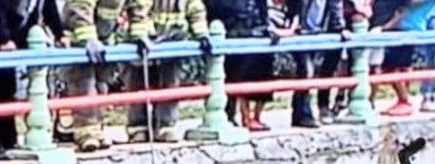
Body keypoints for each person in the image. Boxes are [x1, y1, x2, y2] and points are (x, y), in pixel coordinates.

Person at [0, 0, 65, 161]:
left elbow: (49, 9)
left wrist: (59, 34)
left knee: (8, 89)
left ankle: (9, 141)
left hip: (14, 37)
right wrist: (3, 39)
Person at [61, 0, 152, 152]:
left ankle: (97, 130)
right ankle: (86, 133)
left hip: (105, 40)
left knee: (101, 86)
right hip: (79, 39)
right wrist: (88, 38)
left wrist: (139, 35)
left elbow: (138, 6)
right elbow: (80, 7)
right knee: (84, 84)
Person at [125, 0, 209, 143]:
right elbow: (138, 7)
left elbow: (194, 7)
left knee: (170, 82)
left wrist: (201, 33)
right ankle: (138, 128)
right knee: (138, 83)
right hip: (144, 39)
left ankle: (166, 126)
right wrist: (139, 35)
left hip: (173, 38)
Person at [207, 0, 280, 132]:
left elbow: (262, 11)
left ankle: (256, 116)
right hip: (232, 32)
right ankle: (238, 116)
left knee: (264, 74)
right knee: (235, 77)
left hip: (257, 32)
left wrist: (266, 28)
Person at [286, 0, 345, 128]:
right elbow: (293, 11)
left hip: (318, 34)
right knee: (307, 71)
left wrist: (340, 28)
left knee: (314, 72)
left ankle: (302, 112)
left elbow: (336, 10)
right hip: (300, 34)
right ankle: (304, 113)